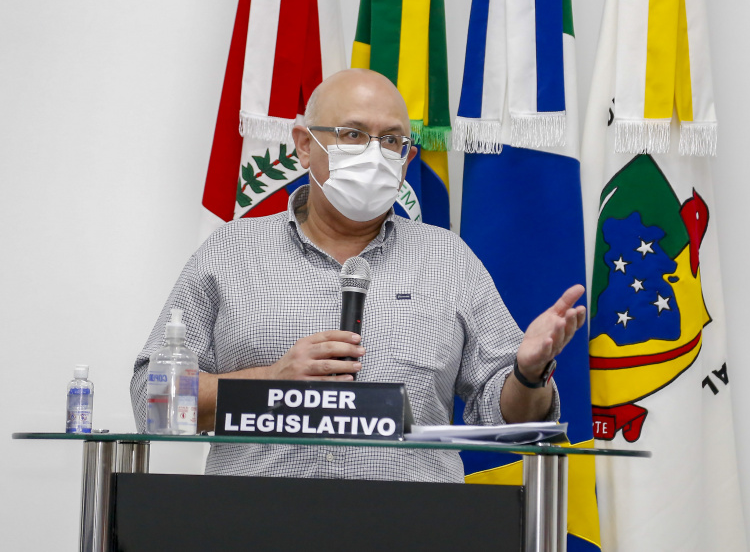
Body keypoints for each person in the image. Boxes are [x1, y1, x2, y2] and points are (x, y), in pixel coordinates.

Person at [130, 69, 586, 483]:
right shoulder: (230, 252)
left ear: (407, 161)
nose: (375, 154)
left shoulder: (449, 260)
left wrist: (528, 375)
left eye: (392, 141)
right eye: (353, 134)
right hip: (256, 526)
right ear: (305, 145)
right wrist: (270, 381)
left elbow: (510, 425)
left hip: (414, 530)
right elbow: (152, 400)